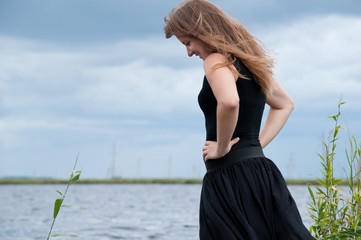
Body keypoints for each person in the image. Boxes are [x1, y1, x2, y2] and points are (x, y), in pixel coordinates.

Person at [164, 0, 314, 239]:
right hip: (261, 175)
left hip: (228, 180)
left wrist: (222, 148)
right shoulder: (250, 62)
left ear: (201, 31)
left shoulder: (215, 60)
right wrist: (254, 145)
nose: (189, 52)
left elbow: (229, 102)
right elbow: (285, 104)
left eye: (188, 42)